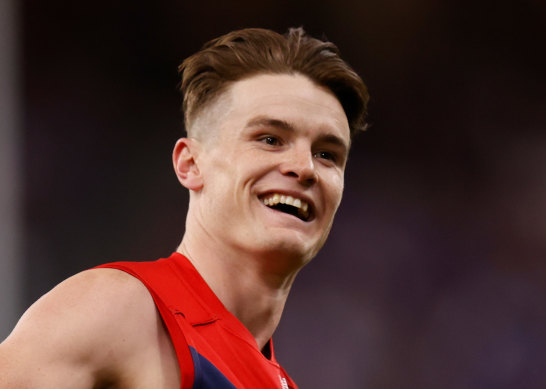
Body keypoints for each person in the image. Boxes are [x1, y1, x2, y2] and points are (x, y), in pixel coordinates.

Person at [0, 27, 368, 389]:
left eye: (327, 155)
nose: (304, 168)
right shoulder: (118, 309)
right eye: (270, 139)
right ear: (190, 164)